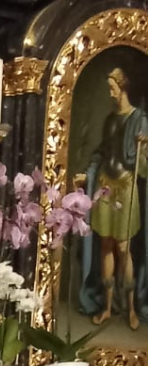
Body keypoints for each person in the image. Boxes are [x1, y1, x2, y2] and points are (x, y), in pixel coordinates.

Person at [85, 66, 148, 332]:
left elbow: (144, 167)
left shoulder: (140, 119)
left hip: (126, 185)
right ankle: (108, 308)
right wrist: (89, 173)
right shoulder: (110, 120)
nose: (110, 92)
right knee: (106, 246)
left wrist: (143, 148)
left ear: (122, 87)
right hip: (106, 185)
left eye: (112, 87)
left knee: (123, 248)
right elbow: (102, 151)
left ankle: (131, 309)